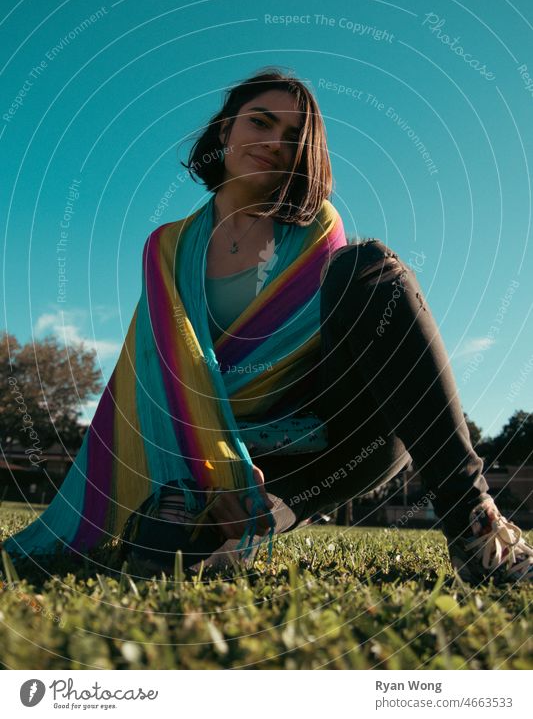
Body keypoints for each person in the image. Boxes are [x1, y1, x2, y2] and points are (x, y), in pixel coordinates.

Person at [120, 67, 533, 586]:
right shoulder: (168, 247)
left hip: (339, 438)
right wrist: (216, 467)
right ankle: (243, 520)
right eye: (260, 122)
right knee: (160, 554)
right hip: (218, 452)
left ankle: (476, 526)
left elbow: (357, 346)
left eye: (293, 138)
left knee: (369, 264)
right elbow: (166, 374)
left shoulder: (319, 231)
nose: (274, 143)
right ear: (225, 129)